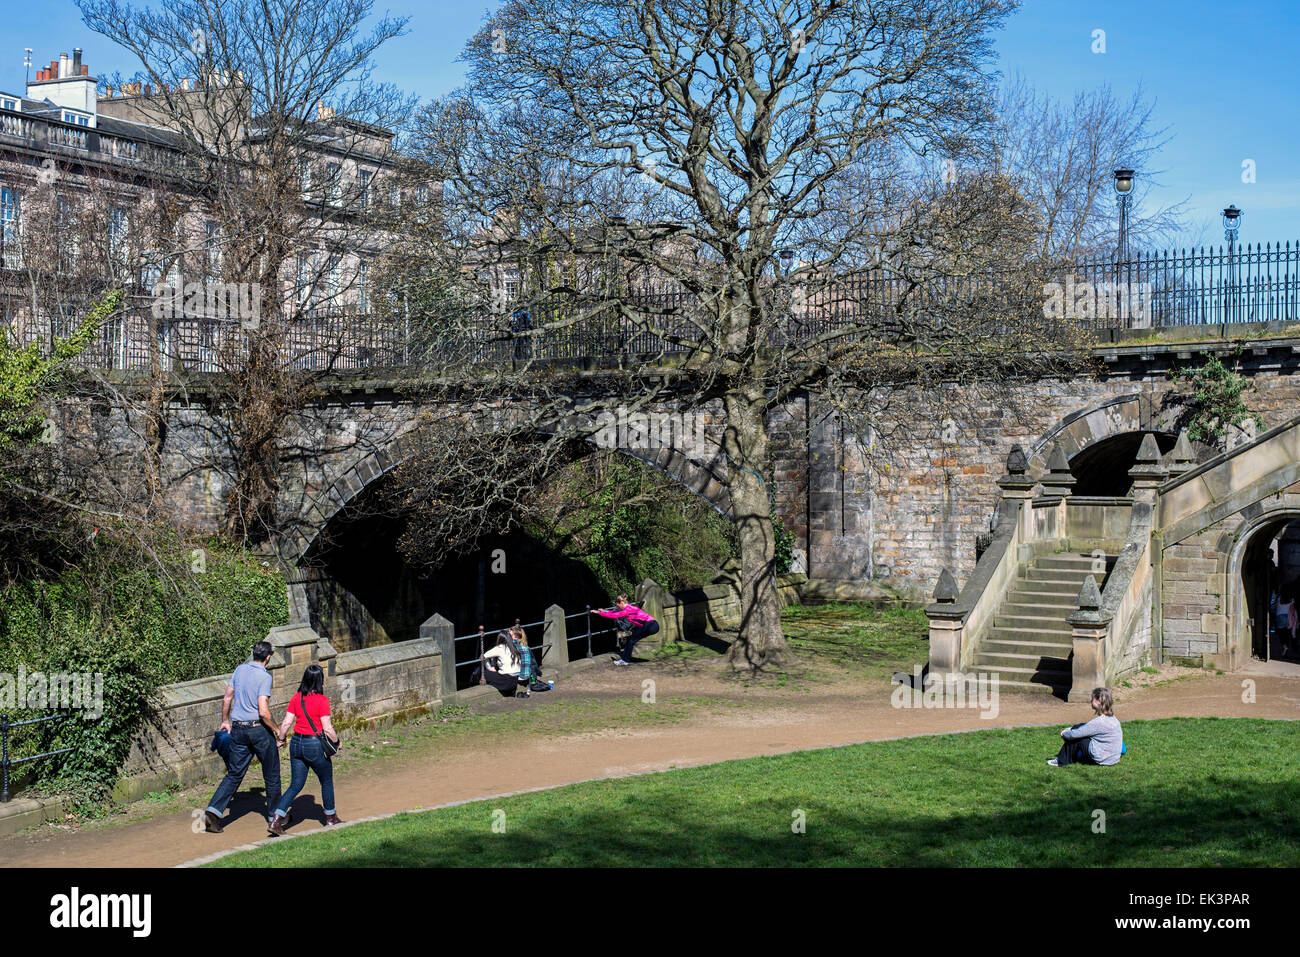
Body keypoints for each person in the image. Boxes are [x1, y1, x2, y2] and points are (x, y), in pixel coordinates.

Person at [204, 641, 283, 833]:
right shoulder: (264, 677)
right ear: (268, 657)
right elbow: (263, 712)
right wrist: (277, 730)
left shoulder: (239, 670)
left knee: (235, 773)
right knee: (271, 774)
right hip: (259, 730)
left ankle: (213, 812)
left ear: (253, 654)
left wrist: (225, 720)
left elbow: (227, 698)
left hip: (238, 729)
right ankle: (274, 817)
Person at [268, 665, 341, 836]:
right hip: (314, 745)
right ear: (320, 680)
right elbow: (328, 728)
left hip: (296, 744)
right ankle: (330, 818)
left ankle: (276, 820)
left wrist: (281, 739)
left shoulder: (296, 698)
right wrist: (337, 742)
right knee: (326, 781)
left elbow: (286, 723)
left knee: (295, 784)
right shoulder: (322, 700)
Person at [1048, 687, 1122, 767]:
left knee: (1076, 737)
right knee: (1080, 726)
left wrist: (1065, 734)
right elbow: (1087, 727)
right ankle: (1067, 757)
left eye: (1092, 699)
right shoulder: (1114, 719)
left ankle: (1061, 761)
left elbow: (1074, 734)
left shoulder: (1099, 722)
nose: (1091, 701)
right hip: (1113, 759)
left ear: (1099, 702)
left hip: (1102, 758)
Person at [595, 594, 659, 666]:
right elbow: (615, 613)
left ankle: (625, 660)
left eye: (618, 605)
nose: (617, 607)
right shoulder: (629, 608)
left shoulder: (627, 610)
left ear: (622, 603)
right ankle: (625, 656)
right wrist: (604, 611)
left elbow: (614, 615)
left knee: (631, 640)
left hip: (650, 625)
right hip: (652, 626)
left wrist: (599, 613)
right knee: (631, 640)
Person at [475, 631, 523, 696]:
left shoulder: (500, 647)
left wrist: (489, 667)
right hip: (515, 679)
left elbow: (482, 656)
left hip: (506, 681)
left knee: (482, 673)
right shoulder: (515, 646)